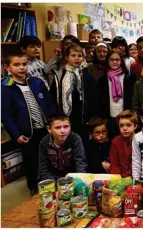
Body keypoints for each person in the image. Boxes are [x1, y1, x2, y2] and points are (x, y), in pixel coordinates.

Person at [2, 53, 57, 195]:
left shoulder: (36, 82)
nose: (21, 67)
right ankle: (34, 188)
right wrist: (16, 134)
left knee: (49, 157)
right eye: (17, 65)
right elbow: (6, 115)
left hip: (45, 129)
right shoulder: (5, 88)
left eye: (24, 64)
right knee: (31, 162)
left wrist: (53, 122)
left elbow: (49, 103)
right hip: (26, 133)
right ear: (7, 67)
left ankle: (52, 184)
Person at [49, 43, 90, 135]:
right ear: (67, 58)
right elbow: (53, 95)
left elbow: (92, 93)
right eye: (73, 55)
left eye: (80, 55)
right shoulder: (60, 75)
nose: (77, 58)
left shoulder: (85, 73)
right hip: (66, 114)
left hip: (82, 114)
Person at [97, 49, 134, 138]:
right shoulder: (102, 80)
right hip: (108, 118)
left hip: (126, 118)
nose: (114, 62)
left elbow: (132, 98)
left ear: (121, 61)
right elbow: (99, 101)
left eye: (117, 60)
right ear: (107, 61)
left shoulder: (129, 78)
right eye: (111, 59)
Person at [38, 115, 88, 180]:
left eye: (66, 127)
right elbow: (43, 168)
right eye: (58, 127)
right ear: (49, 129)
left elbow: (81, 163)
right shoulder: (44, 143)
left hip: (73, 176)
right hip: (53, 178)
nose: (63, 131)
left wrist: (78, 180)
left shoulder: (75, 139)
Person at [109, 110, 138, 177]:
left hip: (136, 177)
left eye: (128, 125)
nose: (125, 128)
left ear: (135, 126)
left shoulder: (139, 140)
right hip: (119, 177)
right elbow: (114, 165)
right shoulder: (115, 141)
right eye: (121, 126)